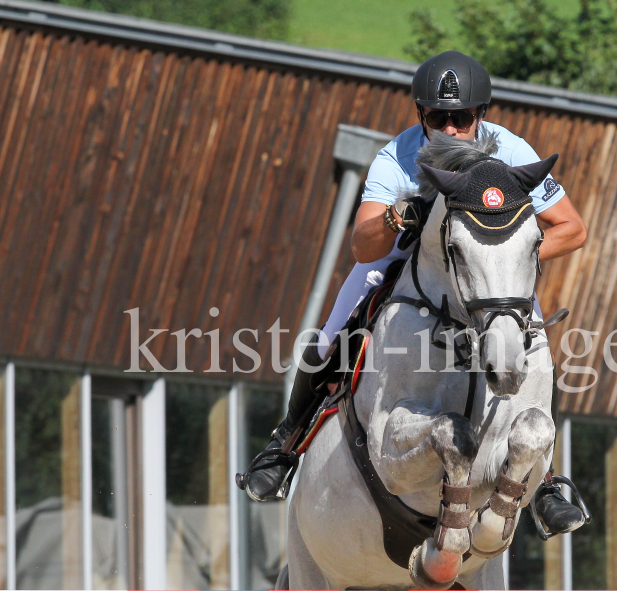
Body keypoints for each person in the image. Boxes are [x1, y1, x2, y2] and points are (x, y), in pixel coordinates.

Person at [241, 51, 589, 537]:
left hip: (485, 279)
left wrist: (505, 266)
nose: (449, 128)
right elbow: (363, 246)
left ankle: (547, 479)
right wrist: (391, 218)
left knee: (534, 350)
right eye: (437, 117)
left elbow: (571, 229)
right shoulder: (396, 157)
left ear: (481, 114)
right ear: (419, 115)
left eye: (462, 118)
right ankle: (285, 444)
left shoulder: (510, 151)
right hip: (406, 267)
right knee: (331, 334)